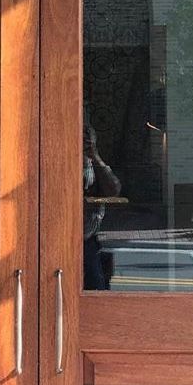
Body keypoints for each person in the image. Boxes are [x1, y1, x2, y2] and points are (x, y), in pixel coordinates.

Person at [83, 114, 121, 290]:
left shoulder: (94, 165)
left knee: (95, 288)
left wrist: (94, 155)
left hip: (87, 239)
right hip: (59, 238)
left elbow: (113, 189)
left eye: (86, 138)